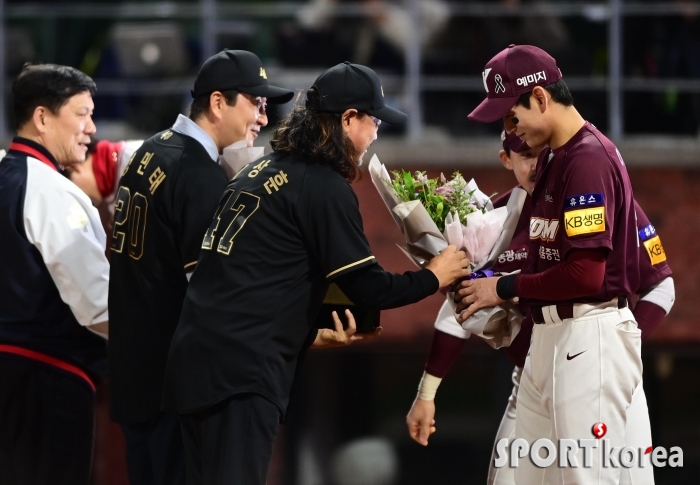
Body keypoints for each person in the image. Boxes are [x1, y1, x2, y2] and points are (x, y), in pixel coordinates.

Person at [162, 61, 471, 485]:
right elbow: (367, 288)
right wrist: (435, 275)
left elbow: (251, 282)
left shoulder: (259, 169)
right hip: (240, 377)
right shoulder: (321, 185)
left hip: (198, 364)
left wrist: (308, 332)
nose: (377, 132)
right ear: (348, 119)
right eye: (374, 119)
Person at [406, 131, 675, 484]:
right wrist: (427, 393)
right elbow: (462, 306)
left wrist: (617, 350)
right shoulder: (492, 222)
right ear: (507, 160)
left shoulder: (597, 198)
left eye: (543, 154)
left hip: (602, 368)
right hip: (534, 374)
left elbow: (662, 287)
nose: (536, 164)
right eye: (525, 155)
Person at [453, 44, 665, 484]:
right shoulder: (558, 160)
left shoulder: (587, 160)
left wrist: (503, 288)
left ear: (543, 98)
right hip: (550, 337)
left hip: (589, 334)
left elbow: (584, 274)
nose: (512, 130)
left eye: (513, 117)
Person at [107, 50, 294, 485]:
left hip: (135, 377)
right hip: (174, 391)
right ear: (217, 103)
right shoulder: (198, 176)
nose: (263, 119)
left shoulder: (150, 150)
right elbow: (215, 296)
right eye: (257, 104)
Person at [0, 64, 109, 484]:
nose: (91, 127)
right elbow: (99, 308)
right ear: (42, 118)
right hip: (46, 381)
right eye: (81, 114)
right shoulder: (52, 190)